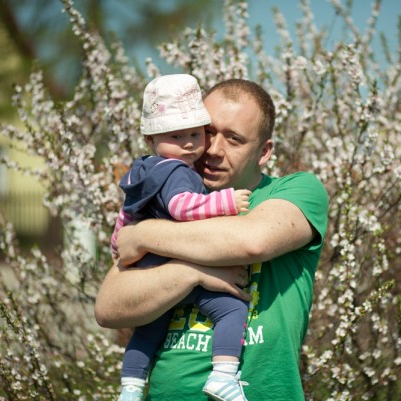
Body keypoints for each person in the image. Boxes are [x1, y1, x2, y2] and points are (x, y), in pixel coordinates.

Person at [95, 78, 329, 401]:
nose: (214, 149)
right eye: (208, 132)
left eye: (234, 139)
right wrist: (193, 274)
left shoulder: (297, 191)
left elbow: (252, 241)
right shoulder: (166, 199)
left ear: (264, 152)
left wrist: (143, 234)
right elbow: (108, 307)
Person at [111, 74, 252, 401]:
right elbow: (181, 206)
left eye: (194, 133)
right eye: (176, 135)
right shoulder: (177, 171)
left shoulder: (140, 170)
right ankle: (224, 374)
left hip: (150, 271)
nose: (189, 143)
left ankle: (130, 391)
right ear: (150, 138)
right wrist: (224, 201)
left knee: (147, 333)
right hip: (178, 263)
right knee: (231, 311)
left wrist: (120, 244)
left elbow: (126, 215)